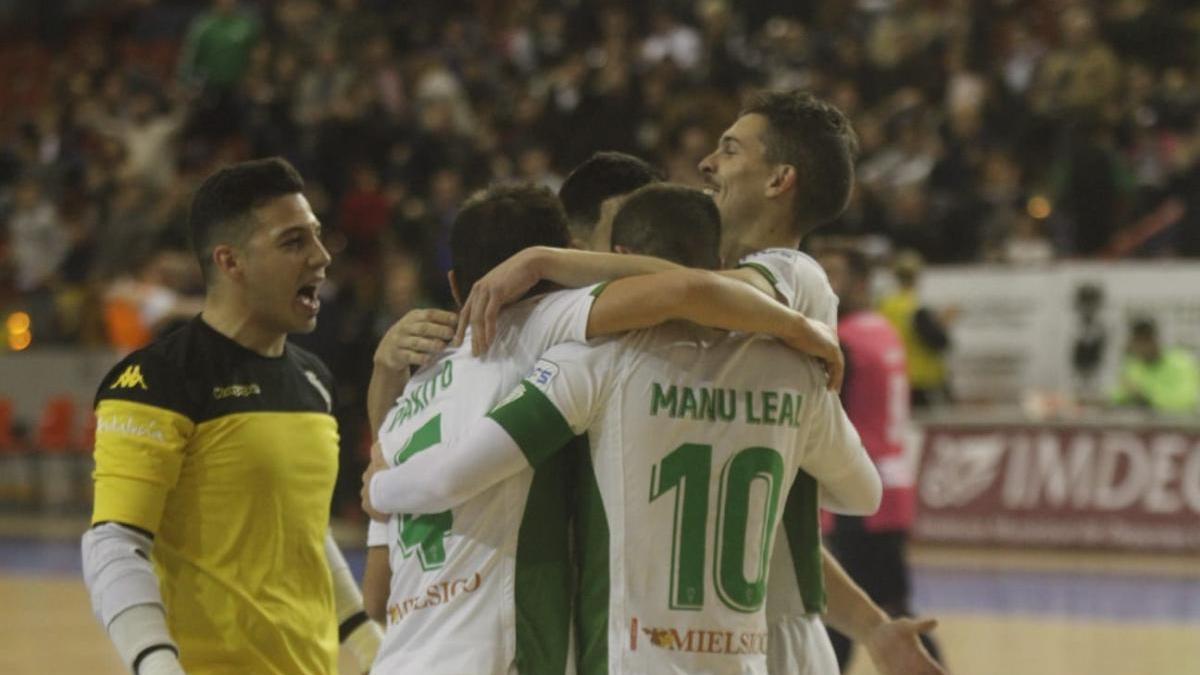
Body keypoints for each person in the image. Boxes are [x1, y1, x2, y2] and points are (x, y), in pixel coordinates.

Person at [460, 90, 943, 675]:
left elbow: (696, 288)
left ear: (779, 180)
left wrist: (541, 261)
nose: (707, 165)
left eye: (730, 149)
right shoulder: (691, 330)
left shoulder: (791, 280)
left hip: (746, 638)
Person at [363, 184, 883, 674]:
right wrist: (796, 326)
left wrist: (381, 437)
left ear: (456, 284)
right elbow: (685, 288)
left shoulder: (426, 384)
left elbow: (377, 596)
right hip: (754, 648)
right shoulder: (566, 332)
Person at [81, 158, 381, 675]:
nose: (322, 257)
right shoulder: (159, 380)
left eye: (317, 237)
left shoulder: (314, 381)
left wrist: (372, 644)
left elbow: (306, 535)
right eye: (294, 242)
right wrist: (155, 664)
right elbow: (114, 542)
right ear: (230, 261)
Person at [817, 245, 941, 671]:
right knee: (887, 607)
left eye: (834, 273)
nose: (825, 283)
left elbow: (828, 418)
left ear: (862, 283)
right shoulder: (883, 329)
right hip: (892, 483)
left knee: (851, 610)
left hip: (862, 491)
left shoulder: (845, 340)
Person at [878, 249, 955, 409]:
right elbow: (939, 342)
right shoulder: (916, 307)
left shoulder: (884, 305)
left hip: (894, 377)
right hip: (922, 380)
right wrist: (943, 323)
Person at [1111, 317, 1200, 415]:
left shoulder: (1182, 362)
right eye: (1137, 341)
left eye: (1145, 340)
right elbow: (1117, 396)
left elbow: (1186, 400)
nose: (1141, 347)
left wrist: (1146, 397)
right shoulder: (1133, 367)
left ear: (1155, 339)